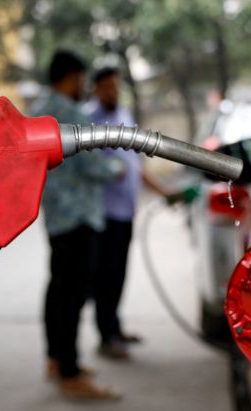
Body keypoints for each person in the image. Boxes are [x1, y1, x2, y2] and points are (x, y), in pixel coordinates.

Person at [29, 51, 124, 401]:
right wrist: (119, 168)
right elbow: (94, 166)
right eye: (82, 79)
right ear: (70, 77)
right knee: (71, 295)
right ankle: (70, 373)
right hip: (80, 218)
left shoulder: (39, 110)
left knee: (58, 291)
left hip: (56, 217)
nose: (84, 86)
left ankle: (57, 359)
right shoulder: (69, 114)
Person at [86, 67, 177, 359]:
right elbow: (88, 168)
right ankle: (106, 336)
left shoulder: (124, 115)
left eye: (116, 86)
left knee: (119, 273)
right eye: (107, 87)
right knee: (106, 275)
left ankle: (115, 326)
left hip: (126, 211)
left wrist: (164, 192)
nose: (113, 92)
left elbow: (136, 164)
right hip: (103, 213)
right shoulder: (88, 120)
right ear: (95, 89)